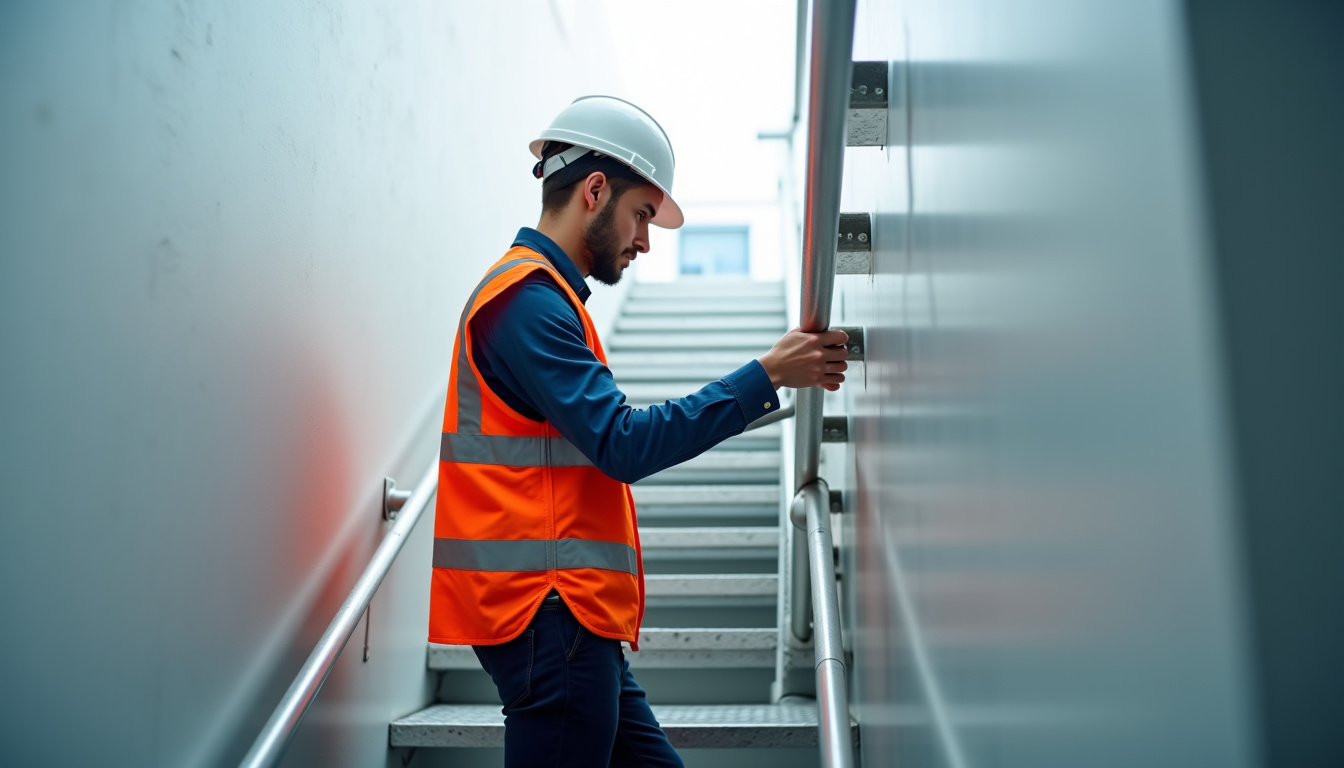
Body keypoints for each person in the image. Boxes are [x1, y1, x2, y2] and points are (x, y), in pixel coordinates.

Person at [427, 95, 849, 767]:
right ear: (595, 190)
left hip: (568, 621)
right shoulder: (528, 300)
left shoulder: (546, 299)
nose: (646, 241)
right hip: (550, 613)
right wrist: (764, 374)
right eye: (642, 215)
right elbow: (622, 442)